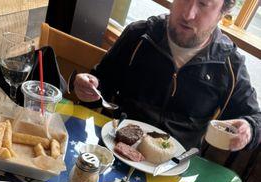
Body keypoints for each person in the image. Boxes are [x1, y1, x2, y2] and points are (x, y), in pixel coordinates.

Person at [73, 0, 261, 151]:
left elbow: (254, 118)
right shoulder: (139, 35)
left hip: (174, 170)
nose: (188, 14)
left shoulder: (229, 64)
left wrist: (249, 128)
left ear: (222, 12)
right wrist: (90, 87)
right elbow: (102, 84)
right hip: (113, 147)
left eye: (203, 4)